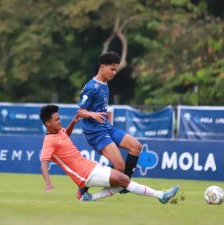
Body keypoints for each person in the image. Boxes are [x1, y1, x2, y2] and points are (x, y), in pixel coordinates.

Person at [39, 104, 179, 203]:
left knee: (122, 180)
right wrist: (48, 183)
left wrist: (72, 123)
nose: (60, 120)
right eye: (56, 120)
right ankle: (161, 195)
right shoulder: (49, 141)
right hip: (84, 175)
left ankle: (88, 198)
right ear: (48, 123)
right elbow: (44, 163)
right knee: (124, 180)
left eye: (59, 118)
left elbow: (66, 135)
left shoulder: (59, 132)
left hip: (90, 167)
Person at [77, 51, 142, 197]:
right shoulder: (91, 87)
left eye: (115, 69)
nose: (114, 73)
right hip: (96, 133)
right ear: (102, 67)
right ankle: (86, 183)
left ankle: (125, 183)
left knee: (136, 146)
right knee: (119, 166)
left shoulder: (105, 83)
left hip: (106, 127)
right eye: (112, 69)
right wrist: (92, 114)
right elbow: (80, 112)